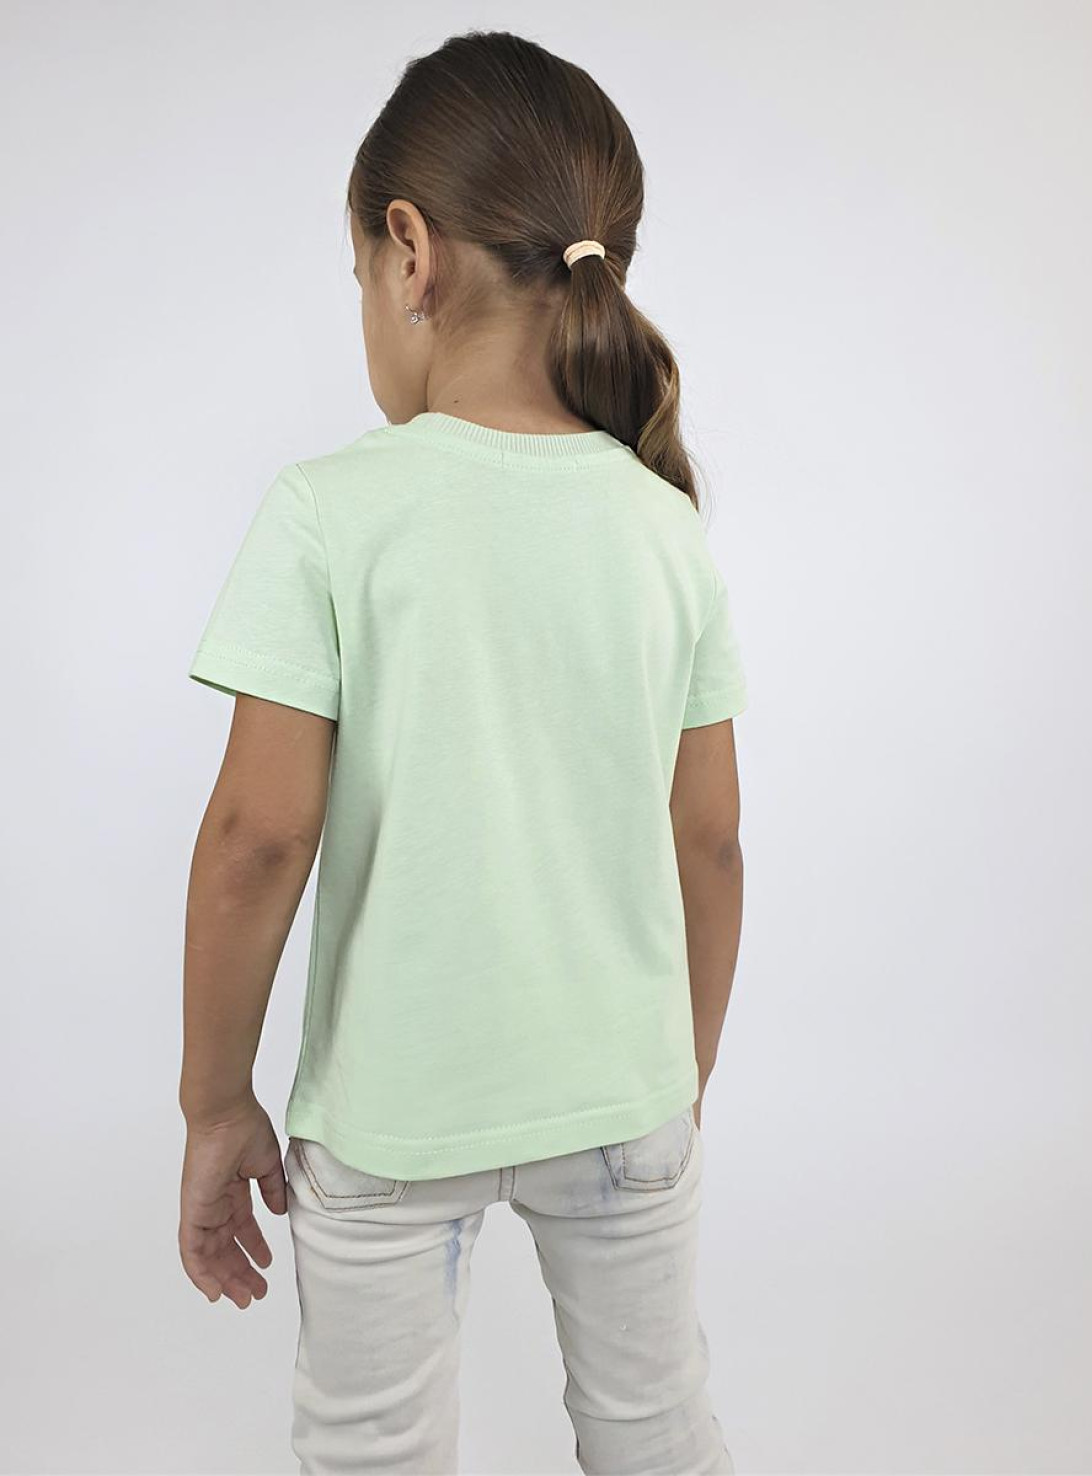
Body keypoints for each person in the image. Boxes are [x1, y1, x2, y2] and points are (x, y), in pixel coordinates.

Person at [178, 27, 748, 1476]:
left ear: (409, 253)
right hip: (625, 1096)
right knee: (656, 1432)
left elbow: (257, 838)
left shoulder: (328, 512)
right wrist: (674, 1081)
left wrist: (215, 1102)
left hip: (391, 1116)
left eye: (356, 273)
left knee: (370, 1453)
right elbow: (710, 841)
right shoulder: (664, 523)